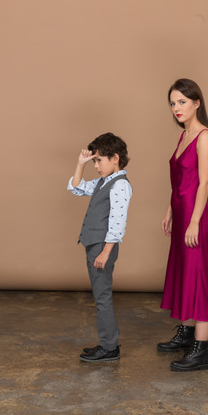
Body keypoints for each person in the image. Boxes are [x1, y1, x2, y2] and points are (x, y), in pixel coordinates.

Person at [158, 78, 208, 372]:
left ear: (197, 103)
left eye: (182, 102)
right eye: (172, 103)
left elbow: (204, 182)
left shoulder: (204, 136)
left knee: (198, 276)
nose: (176, 108)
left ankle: (201, 350)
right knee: (183, 272)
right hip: (181, 214)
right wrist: (170, 210)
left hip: (196, 216)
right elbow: (179, 181)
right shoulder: (183, 135)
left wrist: (194, 221)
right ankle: (186, 332)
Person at [67, 133, 132, 362]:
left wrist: (105, 252)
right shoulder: (104, 182)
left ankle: (109, 347)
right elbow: (76, 188)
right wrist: (80, 163)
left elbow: (117, 221)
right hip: (94, 245)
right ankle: (107, 343)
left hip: (102, 247)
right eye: (94, 161)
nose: (96, 166)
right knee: (100, 296)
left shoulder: (120, 185)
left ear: (115, 158)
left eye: (99, 160)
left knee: (102, 297)